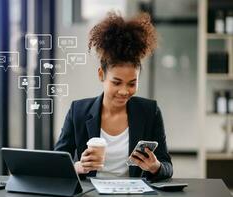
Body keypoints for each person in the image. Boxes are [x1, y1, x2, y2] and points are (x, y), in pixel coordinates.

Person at [54, 12, 173, 181]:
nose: (124, 91)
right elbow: (56, 165)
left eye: (132, 83)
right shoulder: (78, 111)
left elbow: (167, 167)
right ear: (101, 74)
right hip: (91, 194)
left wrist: (155, 167)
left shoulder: (149, 112)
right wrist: (78, 166)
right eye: (116, 82)